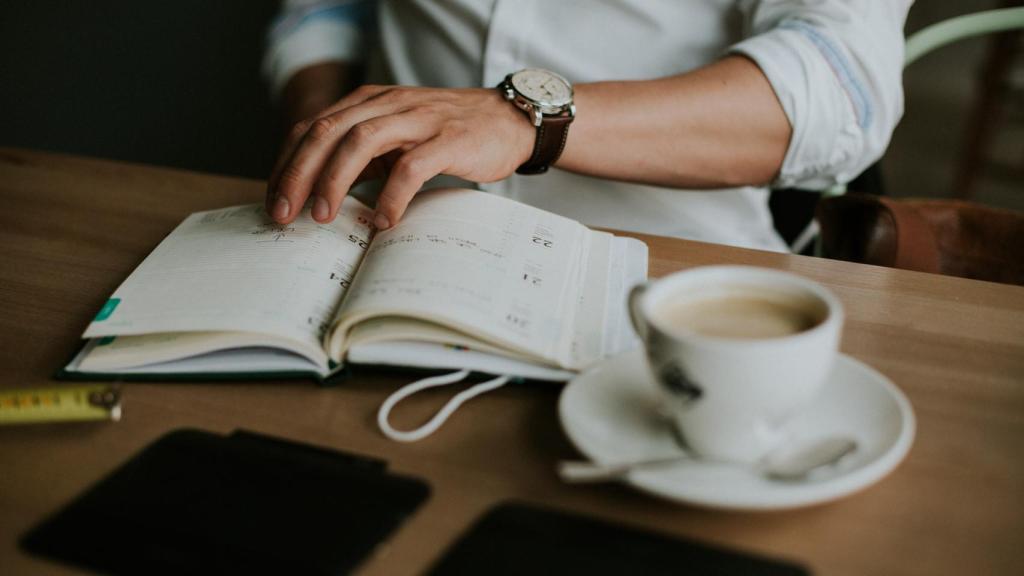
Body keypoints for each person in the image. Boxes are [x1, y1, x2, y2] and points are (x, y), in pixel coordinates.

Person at [262, 0, 911, 251]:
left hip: (663, 267)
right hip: (373, 242)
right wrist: (323, 125)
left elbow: (841, 89)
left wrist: (524, 119)